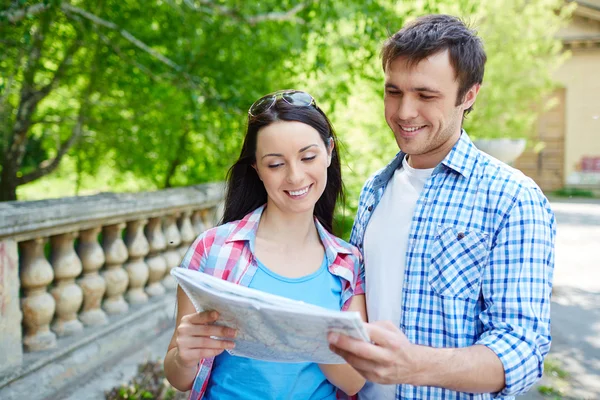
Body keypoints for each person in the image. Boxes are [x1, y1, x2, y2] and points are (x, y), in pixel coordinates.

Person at [327, 14, 556, 400]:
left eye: (425, 95)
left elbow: (522, 351)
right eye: (394, 92)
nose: (403, 112)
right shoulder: (374, 191)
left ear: (469, 96)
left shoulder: (513, 198)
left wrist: (414, 365)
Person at [163, 90, 367, 399]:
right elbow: (179, 378)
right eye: (275, 164)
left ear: (329, 152)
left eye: (308, 157)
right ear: (257, 168)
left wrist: (297, 332)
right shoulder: (213, 249)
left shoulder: (348, 262)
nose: (295, 176)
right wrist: (185, 356)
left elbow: (354, 381)